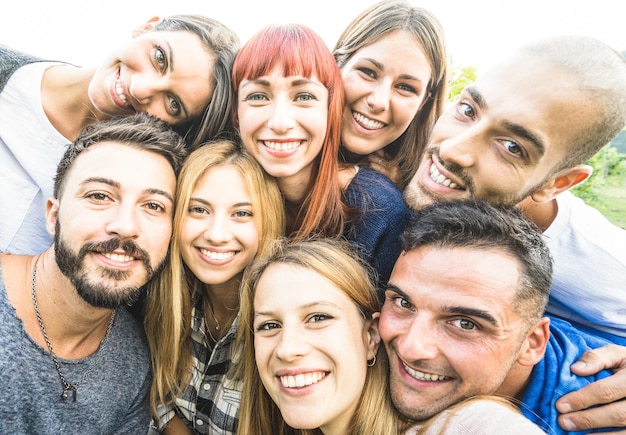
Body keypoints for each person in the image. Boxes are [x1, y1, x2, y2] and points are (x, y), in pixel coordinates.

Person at [402, 35, 626, 431]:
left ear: (557, 183)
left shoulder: (600, 262)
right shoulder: (425, 167)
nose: (454, 149)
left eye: (511, 146)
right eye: (469, 109)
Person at [235, 238, 545, 435]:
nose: (287, 349)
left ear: (370, 336)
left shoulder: (465, 425)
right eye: (269, 325)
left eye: (319, 318)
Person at [0, 113, 187, 434]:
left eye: (154, 205)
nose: (126, 226)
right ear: (54, 216)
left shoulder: (133, 364)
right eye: (99, 196)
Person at [1, 15, 240, 256]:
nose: (140, 88)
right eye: (159, 58)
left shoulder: (138, 203)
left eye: (173, 103)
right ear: (147, 26)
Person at [381, 199, 618, 434]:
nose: (410, 348)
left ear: (533, 343)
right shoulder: (361, 348)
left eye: (465, 324)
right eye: (404, 303)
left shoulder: (603, 414)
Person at [232, 23, 411, 286]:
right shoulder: (226, 193)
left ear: (331, 109)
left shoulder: (381, 212)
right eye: (258, 96)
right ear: (236, 115)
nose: (280, 123)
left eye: (303, 96)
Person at [144, 140, 284, 434]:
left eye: (242, 214)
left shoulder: (279, 329)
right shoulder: (165, 298)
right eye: (198, 209)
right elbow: (161, 404)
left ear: (268, 221)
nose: (217, 234)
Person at [333, 0, 449, 188]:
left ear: (422, 103)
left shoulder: (422, 185)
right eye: (368, 72)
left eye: (406, 87)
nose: (379, 102)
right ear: (337, 64)